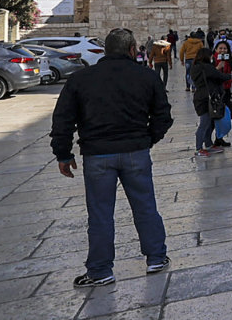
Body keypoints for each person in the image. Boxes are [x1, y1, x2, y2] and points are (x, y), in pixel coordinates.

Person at [50, 27, 173, 286]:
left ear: (106, 50)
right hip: (135, 152)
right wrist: (147, 139)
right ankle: (156, 257)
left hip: (97, 155)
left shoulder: (81, 79)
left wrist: (63, 153)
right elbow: (163, 115)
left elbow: (63, 118)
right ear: (131, 50)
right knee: (145, 207)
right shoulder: (146, 76)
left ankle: (100, 270)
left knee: (100, 213)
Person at [190, 47, 230, 157]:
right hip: (206, 98)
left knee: (209, 122)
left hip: (200, 97)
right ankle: (198, 148)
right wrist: (230, 75)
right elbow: (221, 76)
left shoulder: (195, 67)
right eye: (211, 56)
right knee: (205, 123)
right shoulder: (207, 67)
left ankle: (208, 144)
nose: (212, 58)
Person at [211, 40, 232, 147]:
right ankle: (209, 139)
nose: (222, 50)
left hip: (226, 90)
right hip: (216, 92)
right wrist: (218, 67)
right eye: (220, 48)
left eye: (225, 48)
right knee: (216, 115)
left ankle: (219, 137)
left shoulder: (228, 61)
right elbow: (211, 75)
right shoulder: (212, 60)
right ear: (216, 49)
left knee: (224, 115)